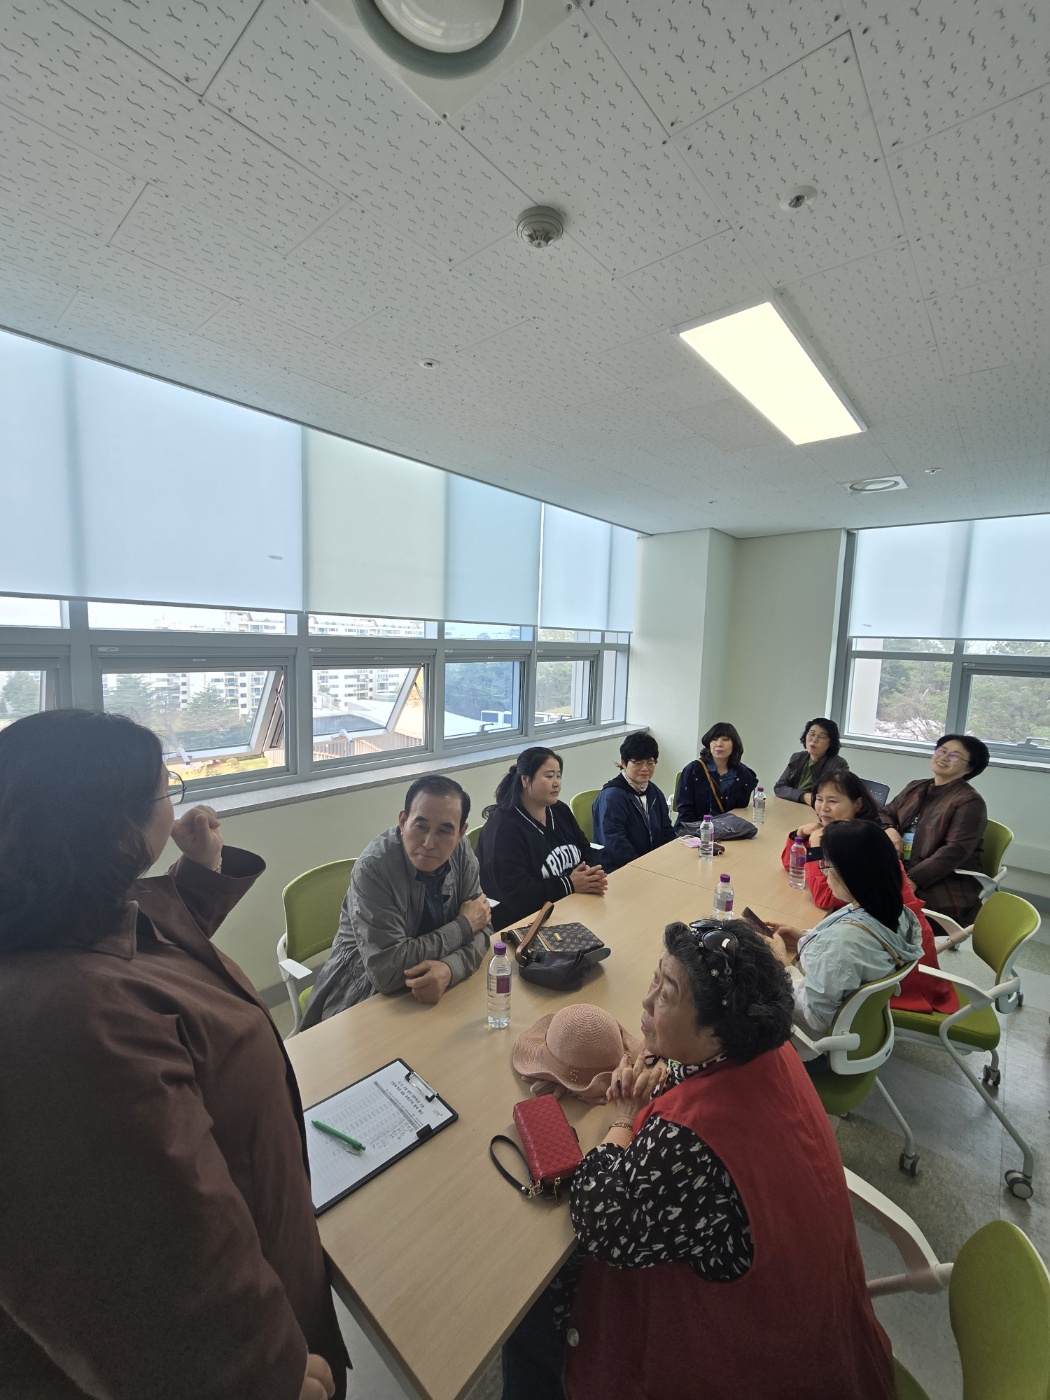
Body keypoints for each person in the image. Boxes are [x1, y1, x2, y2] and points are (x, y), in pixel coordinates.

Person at [0, 709, 345, 1400]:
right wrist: (266, 1374)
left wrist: (200, 867)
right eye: (166, 789)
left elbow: (155, 947)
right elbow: (161, 1255)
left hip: (269, 1244)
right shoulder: (74, 1019)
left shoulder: (65, 912)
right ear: (110, 824)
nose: (177, 796)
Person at [502, 921, 894, 1400]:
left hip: (748, 1363)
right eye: (655, 978)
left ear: (714, 1032)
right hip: (821, 1327)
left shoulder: (692, 1142)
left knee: (529, 1314)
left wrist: (623, 1119)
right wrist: (667, 1064)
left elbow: (597, 1219)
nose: (645, 1003)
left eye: (666, 993)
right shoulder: (769, 1050)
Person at [301, 775, 491, 1025]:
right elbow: (388, 971)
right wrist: (463, 926)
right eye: (420, 826)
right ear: (402, 821)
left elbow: (484, 927)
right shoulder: (374, 868)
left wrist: (449, 969)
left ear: (460, 832)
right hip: (362, 997)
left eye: (445, 830)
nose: (429, 843)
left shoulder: (461, 851)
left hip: (437, 993)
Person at [780, 771, 957, 1015]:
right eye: (819, 799)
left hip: (898, 982)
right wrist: (799, 837)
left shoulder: (859, 846)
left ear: (858, 803)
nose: (823, 808)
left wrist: (814, 848)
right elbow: (794, 867)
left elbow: (823, 898)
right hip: (884, 942)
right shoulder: (855, 836)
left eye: (833, 800)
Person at [765, 820, 924, 1060]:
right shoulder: (892, 911)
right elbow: (848, 954)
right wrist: (803, 938)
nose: (824, 871)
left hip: (808, 1043)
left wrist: (781, 966)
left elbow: (815, 1018)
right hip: (854, 1027)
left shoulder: (843, 943)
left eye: (827, 864)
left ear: (852, 872)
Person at [476, 747, 607, 933]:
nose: (556, 784)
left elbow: (584, 848)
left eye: (558, 776)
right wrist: (569, 884)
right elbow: (515, 894)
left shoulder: (559, 810)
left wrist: (589, 875)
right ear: (525, 779)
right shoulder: (503, 829)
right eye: (549, 776)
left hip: (572, 905)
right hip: (525, 924)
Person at [882, 734, 990, 926]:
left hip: (940, 879)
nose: (944, 757)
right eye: (942, 750)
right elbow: (885, 813)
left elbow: (955, 850)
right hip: (900, 864)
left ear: (970, 768)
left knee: (879, 906)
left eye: (954, 755)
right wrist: (890, 829)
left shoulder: (969, 801)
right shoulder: (916, 786)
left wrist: (913, 878)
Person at [590, 729, 675, 872]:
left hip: (652, 865)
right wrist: (644, 868)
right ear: (623, 763)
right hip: (620, 870)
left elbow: (666, 830)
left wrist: (668, 858)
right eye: (638, 763)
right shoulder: (613, 797)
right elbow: (616, 845)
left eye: (650, 762)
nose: (645, 768)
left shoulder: (653, 791)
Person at [674, 721, 758, 831]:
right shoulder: (693, 770)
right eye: (714, 739)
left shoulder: (744, 775)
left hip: (727, 832)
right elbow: (685, 810)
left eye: (725, 739)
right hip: (694, 831)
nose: (719, 744)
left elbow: (741, 810)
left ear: (734, 744)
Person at [773, 716, 848, 805]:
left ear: (830, 743)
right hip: (794, 805)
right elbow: (779, 788)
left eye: (821, 736)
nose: (814, 739)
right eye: (811, 734)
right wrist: (804, 796)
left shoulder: (838, 764)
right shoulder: (797, 757)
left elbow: (834, 797)